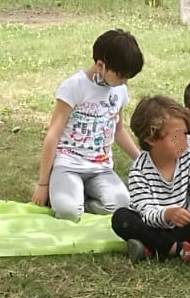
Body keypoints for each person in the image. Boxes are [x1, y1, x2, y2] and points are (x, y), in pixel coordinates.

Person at [32, 29, 144, 220]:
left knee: (122, 206)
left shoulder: (119, 90)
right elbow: (53, 135)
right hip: (68, 164)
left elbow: (118, 130)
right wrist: (42, 184)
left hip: (100, 168)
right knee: (68, 212)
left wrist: (141, 159)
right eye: (121, 76)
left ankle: (80, 200)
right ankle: (63, 194)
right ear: (101, 65)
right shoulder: (74, 87)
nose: (124, 82)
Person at [112, 95, 190, 263]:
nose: (183, 142)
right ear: (151, 139)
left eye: (184, 135)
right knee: (122, 219)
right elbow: (145, 212)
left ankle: (151, 248)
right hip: (154, 226)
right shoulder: (139, 169)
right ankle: (182, 250)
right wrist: (167, 214)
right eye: (175, 137)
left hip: (185, 228)